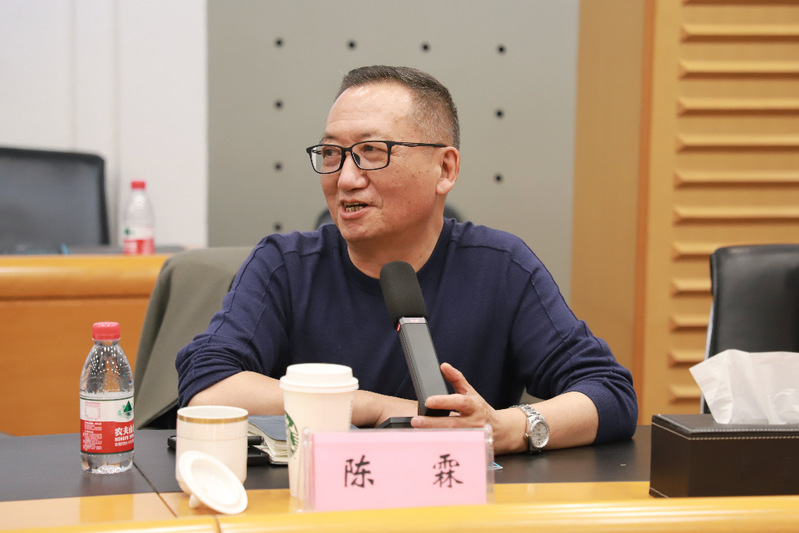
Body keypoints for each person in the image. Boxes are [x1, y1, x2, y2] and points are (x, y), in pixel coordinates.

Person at [176, 65, 638, 455]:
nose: (346, 178)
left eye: (371, 152)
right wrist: (376, 407)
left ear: (445, 169)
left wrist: (504, 429)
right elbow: (208, 387)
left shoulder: (500, 268)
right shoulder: (285, 265)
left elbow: (609, 393)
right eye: (332, 153)